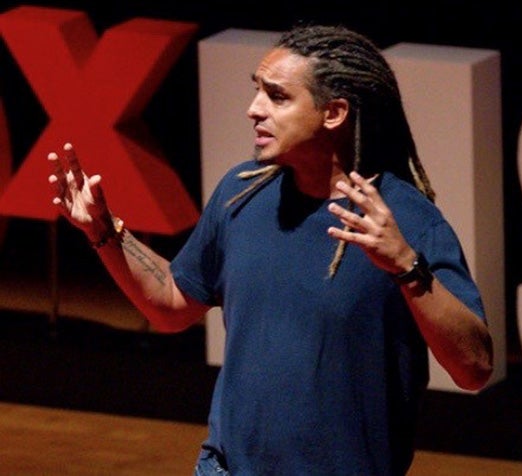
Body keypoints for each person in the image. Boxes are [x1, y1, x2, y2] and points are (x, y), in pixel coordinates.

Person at [48, 23, 493, 476]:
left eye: (277, 97)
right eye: (257, 90)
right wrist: (105, 232)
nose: (253, 109)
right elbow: (171, 303)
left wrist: (406, 267)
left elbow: (474, 369)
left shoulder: (407, 221)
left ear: (334, 113)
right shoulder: (241, 195)